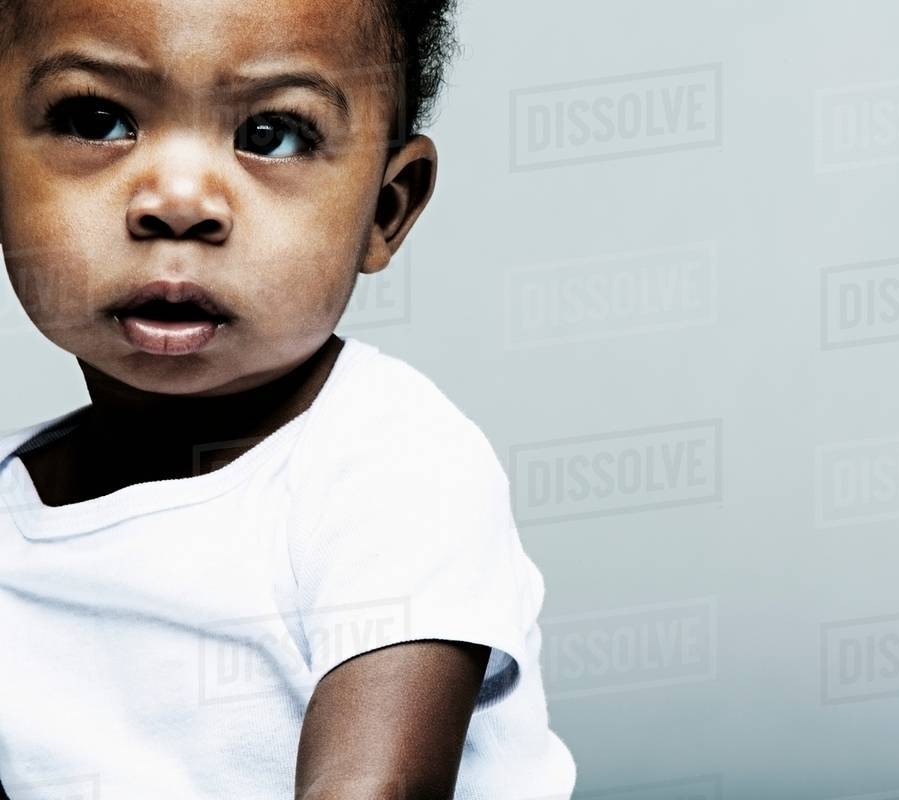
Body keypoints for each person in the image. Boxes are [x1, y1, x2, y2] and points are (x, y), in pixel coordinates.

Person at [0, 0, 576, 797]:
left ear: (386, 208)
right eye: (98, 119)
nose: (178, 202)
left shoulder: (393, 469)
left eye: (270, 135)